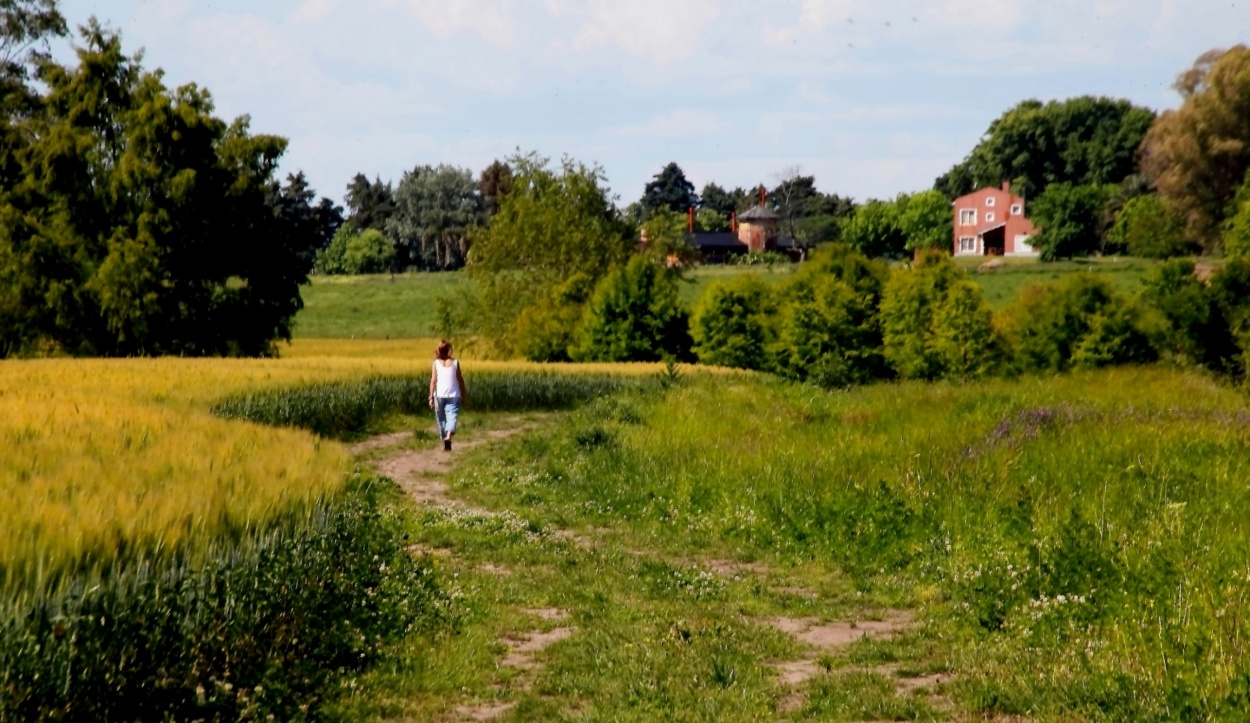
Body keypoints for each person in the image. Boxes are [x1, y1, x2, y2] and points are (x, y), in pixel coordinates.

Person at [428, 340, 467, 451]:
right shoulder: (455, 363)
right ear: (449, 350)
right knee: (452, 415)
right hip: (454, 394)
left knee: (441, 418)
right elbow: (460, 380)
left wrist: (430, 397)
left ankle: (445, 436)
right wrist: (464, 395)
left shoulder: (435, 363)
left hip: (439, 395)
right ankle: (448, 435)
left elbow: (433, 381)